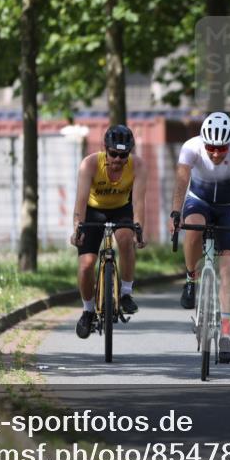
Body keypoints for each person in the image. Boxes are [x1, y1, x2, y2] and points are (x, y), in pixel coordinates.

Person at [170, 112, 230, 364]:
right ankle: (190, 278)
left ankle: (226, 333)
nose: (216, 153)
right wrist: (175, 212)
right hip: (199, 201)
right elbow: (182, 180)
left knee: (229, 269)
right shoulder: (191, 147)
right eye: (212, 148)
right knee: (193, 227)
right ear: (203, 142)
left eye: (222, 148)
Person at [71, 125, 147, 338]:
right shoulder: (90, 164)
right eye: (113, 153)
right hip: (94, 211)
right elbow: (81, 202)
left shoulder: (138, 165)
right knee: (86, 265)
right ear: (105, 149)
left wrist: (139, 230)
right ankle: (87, 310)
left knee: (125, 239)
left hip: (121, 209)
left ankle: (125, 293)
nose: (117, 159)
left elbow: (139, 203)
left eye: (123, 155)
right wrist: (77, 228)